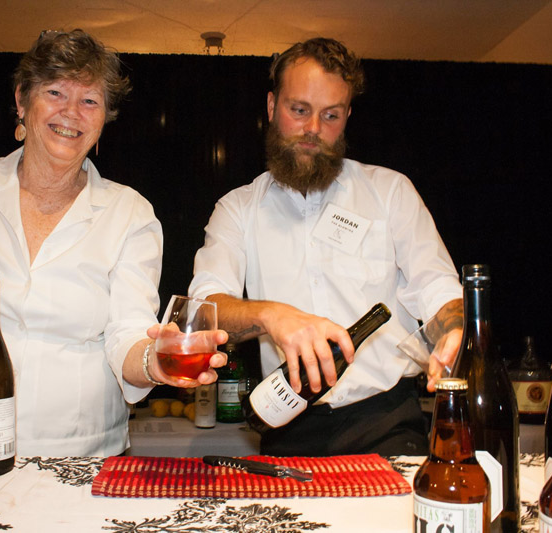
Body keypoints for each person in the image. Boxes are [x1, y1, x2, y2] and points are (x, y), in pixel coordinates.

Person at [0, 29, 226, 461]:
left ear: (104, 118)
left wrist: (157, 361)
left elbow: (126, 333)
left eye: (90, 100)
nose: (71, 112)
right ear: (21, 100)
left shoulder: (130, 212)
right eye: (54, 92)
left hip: (83, 461)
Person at [188, 37, 462, 457]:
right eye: (299, 110)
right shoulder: (238, 208)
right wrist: (270, 314)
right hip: (286, 425)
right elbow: (203, 309)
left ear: (348, 116)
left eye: (330, 115)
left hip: (385, 422)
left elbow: (437, 286)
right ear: (271, 107)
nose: (313, 129)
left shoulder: (391, 192)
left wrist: (456, 329)